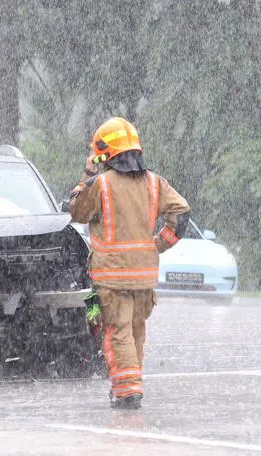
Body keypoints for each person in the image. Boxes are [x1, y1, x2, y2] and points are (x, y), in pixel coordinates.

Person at [67, 117, 190, 409]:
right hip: (144, 276)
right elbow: (181, 214)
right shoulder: (154, 182)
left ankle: (126, 391)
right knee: (136, 331)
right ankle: (132, 384)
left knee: (117, 332)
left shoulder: (101, 185)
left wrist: (86, 176)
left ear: (104, 153)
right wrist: (157, 244)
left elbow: (76, 211)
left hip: (112, 276)